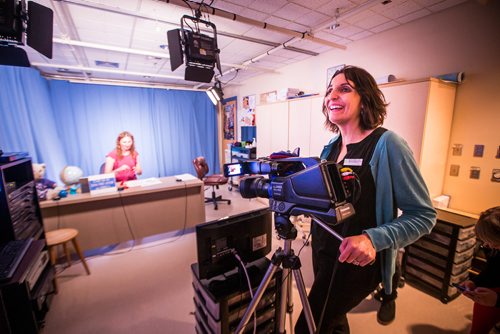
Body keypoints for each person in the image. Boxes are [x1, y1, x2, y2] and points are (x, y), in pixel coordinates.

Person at [294, 65, 436, 333]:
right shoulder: (331, 147)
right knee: (333, 320)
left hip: (357, 261)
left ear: (366, 98)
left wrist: (373, 238)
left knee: (311, 326)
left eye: (344, 89)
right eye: (330, 90)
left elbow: (424, 216)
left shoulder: (388, 144)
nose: (332, 96)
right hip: (325, 251)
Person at [459, 206, 500, 334]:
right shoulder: (492, 248)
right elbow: (492, 269)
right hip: (492, 289)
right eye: (484, 240)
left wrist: (497, 300)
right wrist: (475, 282)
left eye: (491, 240)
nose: (487, 245)